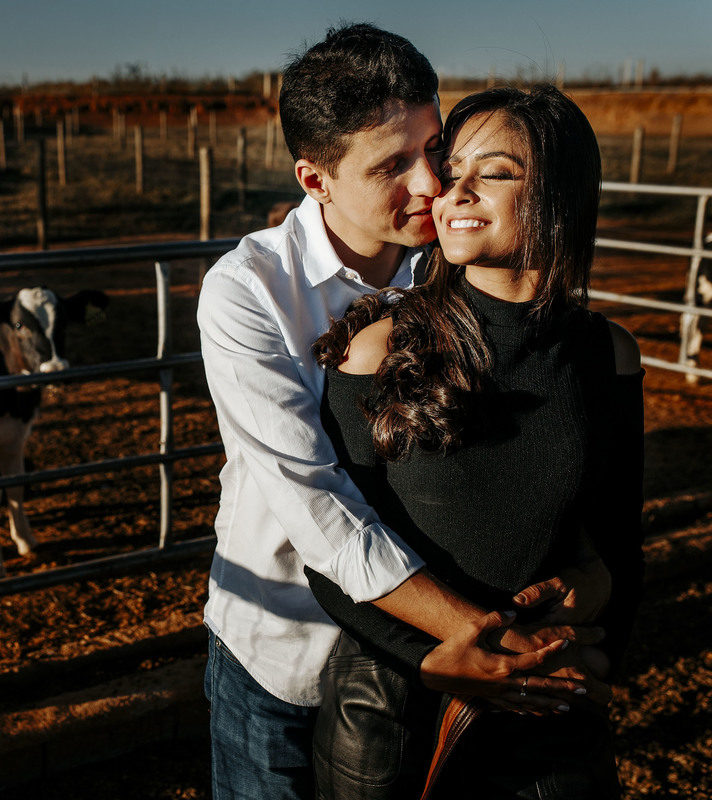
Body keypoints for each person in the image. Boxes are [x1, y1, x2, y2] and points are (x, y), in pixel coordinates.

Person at [198, 24, 607, 800]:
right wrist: (472, 635)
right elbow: (314, 499)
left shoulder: (460, 258)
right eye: (392, 165)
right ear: (315, 180)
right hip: (291, 647)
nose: (431, 186)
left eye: (435, 151)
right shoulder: (247, 291)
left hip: (429, 663)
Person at [306, 84, 645, 798]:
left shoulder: (607, 354)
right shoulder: (377, 350)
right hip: (399, 702)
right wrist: (432, 658)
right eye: (452, 169)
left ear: (559, 193)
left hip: (544, 694)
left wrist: (595, 610)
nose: (453, 191)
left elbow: (616, 536)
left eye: (492, 172)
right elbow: (331, 548)